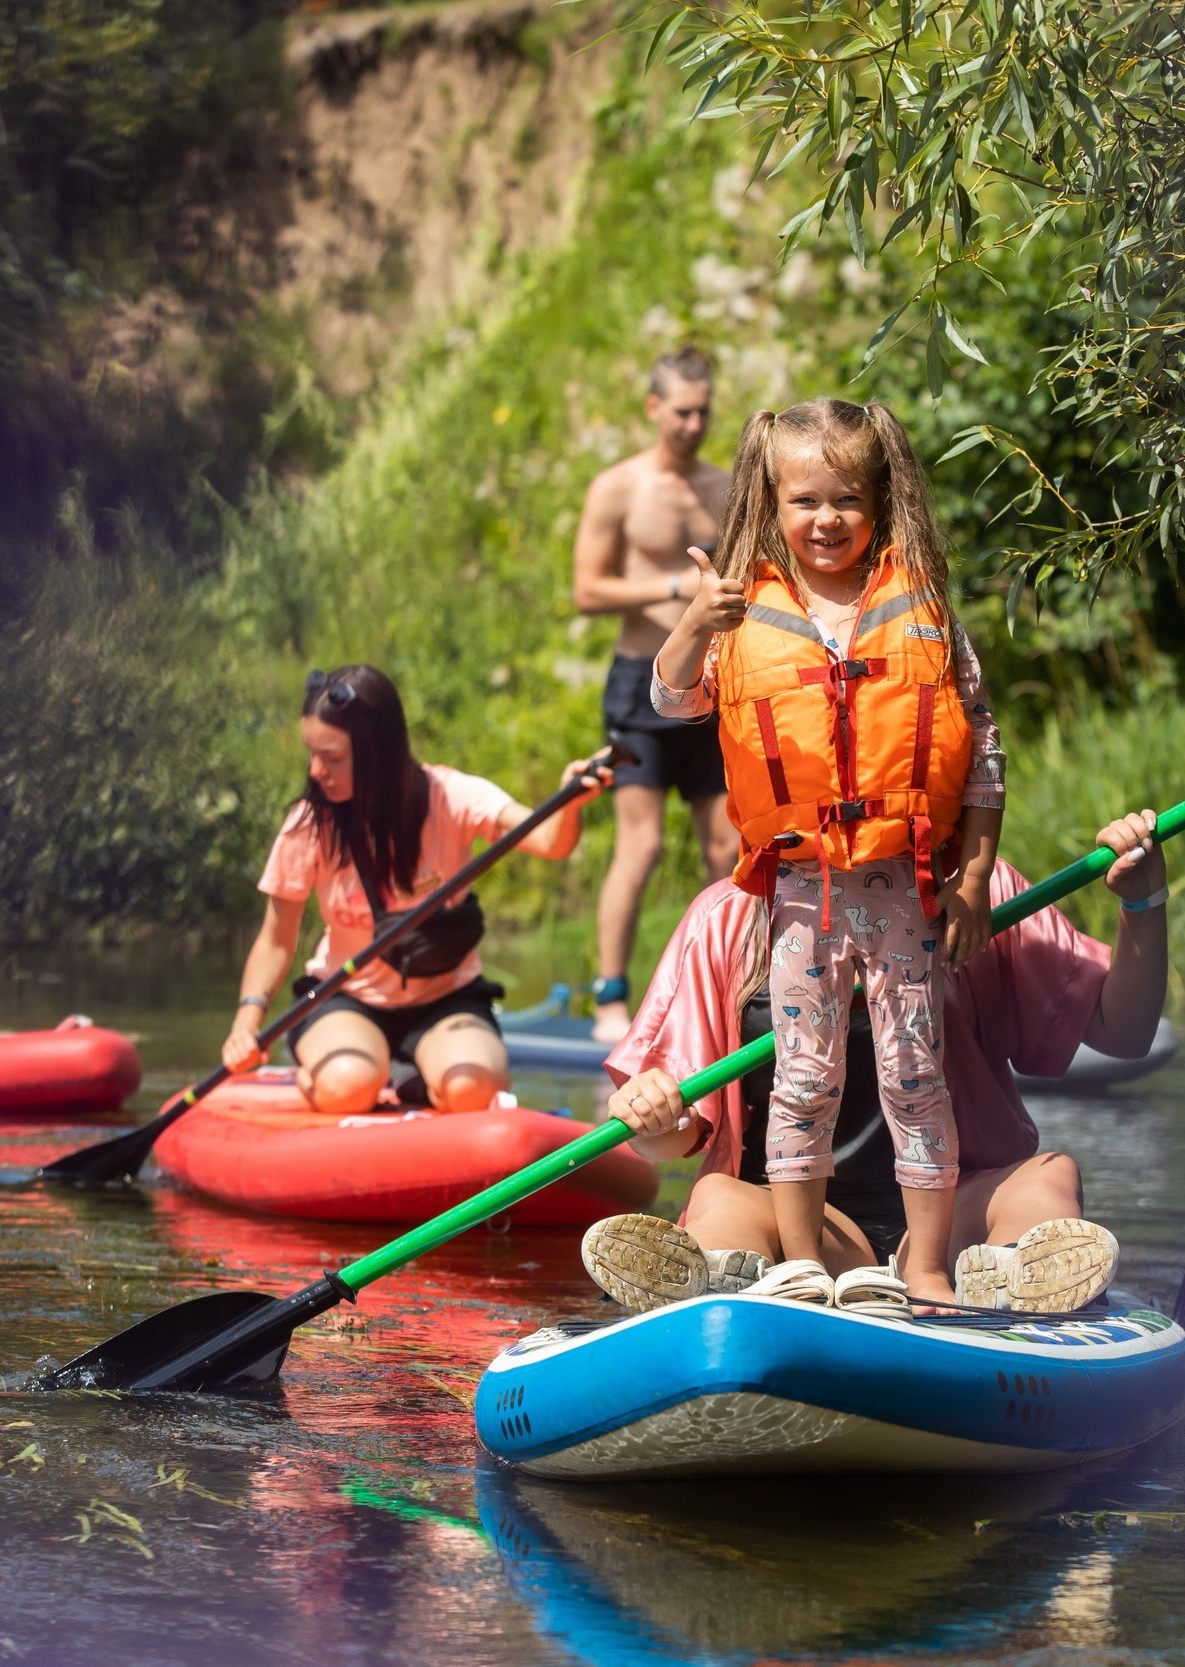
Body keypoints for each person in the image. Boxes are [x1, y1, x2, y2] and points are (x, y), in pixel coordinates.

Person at [646, 397, 1007, 1310]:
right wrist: (695, 623)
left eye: (846, 499)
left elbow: (982, 756)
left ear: (881, 500)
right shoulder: (741, 616)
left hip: (900, 886)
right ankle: (800, 1262)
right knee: (804, 1072)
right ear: (772, 503)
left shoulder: (922, 610)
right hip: (803, 887)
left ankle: (924, 1266)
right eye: (804, 501)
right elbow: (673, 702)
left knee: (913, 1072)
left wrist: (969, 880)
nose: (825, 520)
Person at [582, 811, 1170, 1313]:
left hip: (958, 1214)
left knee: (1050, 1177)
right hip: (799, 1230)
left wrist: (1143, 903)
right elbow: (670, 1141)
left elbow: (1125, 1032)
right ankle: (722, 1288)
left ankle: (1009, 1278)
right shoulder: (727, 918)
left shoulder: (973, 894)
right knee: (716, 1200)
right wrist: (653, 1114)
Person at [222, 664, 613, 1114]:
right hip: (348, 998)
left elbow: (550, 842)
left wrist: (570, 800)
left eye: (331, 758)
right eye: (312, 753)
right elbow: (276, 939)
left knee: (471, 1089)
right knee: (348, 1086)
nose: (316, 771)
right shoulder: (310, 825)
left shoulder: (450, 796)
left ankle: (414, 1084)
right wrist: (246, 1022)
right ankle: (323, 1075)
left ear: (376, 754)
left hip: (445, 1000)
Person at [570, 345, 739, 1043]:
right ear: (653, 408)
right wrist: (676, 588)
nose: (694, 424)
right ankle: (611, 997)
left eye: (704, 411)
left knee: (728, 848)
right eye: (681, 412)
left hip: (709, 683)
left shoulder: (724, 486)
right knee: (638, 846)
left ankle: (732, 993)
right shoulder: (618, 487)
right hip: (640, 685)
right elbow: (587, 590)